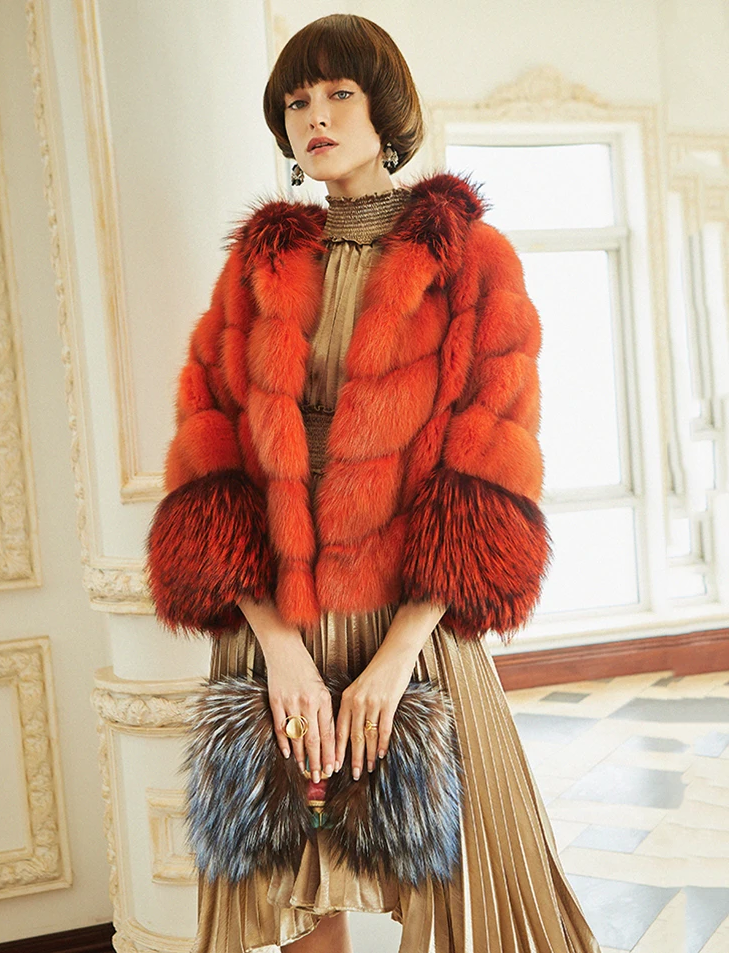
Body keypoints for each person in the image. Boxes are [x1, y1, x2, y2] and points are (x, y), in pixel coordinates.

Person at [147, 13, 603, 953]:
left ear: (384, 109)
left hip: (412, 627)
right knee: (297, 891)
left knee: (458, 900)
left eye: (338, 94)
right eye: (295, 102)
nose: (314, 117)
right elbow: (210, 461)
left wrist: (396, 659)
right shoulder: (258, 267)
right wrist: (276, 648)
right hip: (279, 624)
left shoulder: (472, 259)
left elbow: (487, 473)